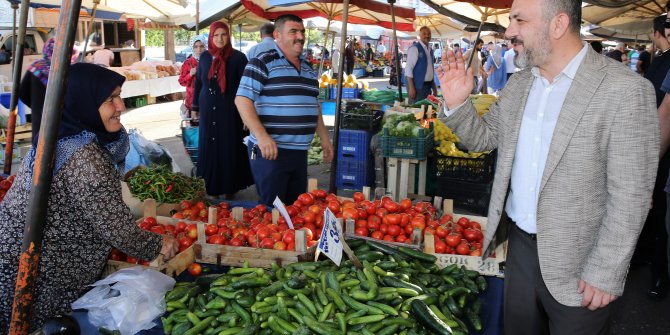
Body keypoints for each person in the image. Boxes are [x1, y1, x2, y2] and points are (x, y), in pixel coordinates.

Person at [437, 0, 658, 332]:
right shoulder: (520, 83)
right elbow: (484, 139)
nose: (509, 31)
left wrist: (606, 271)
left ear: (558, 25)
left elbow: (632, 195)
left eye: (519, 20)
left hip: (582, 265)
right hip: (520, 249)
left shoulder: (625, 91)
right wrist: (456, 102)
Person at [0, 63, 179, 331]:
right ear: (83, 102)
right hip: (36, 272)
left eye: (119, 96)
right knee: (37, 327)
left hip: (27, 258)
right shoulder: (85, 160)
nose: (120, 106)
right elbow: (118, 230)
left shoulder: (60, 136)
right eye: (110, 99)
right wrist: (159, 244)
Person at [235, 14, 333, 206]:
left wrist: (324, 138)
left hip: (299, 152)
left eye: (302, 32)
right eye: (293, 31)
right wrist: (262, 136)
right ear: (277, 35)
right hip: (270, 152)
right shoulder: (262, 62)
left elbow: (314, 105)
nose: (300, 36)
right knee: (273, 211)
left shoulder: (308, 69)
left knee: (295, 209)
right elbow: (242, 100)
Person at [191, 22, 253, 200]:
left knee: (229, 146)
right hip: (208, 110)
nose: (220, 39)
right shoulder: (204, 58)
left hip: (230, 111)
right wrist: (195, 107)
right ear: (211, 37)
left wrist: (246, 114)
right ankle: (211, 186)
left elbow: (246, 87)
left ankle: (230, 186)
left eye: (223, 35)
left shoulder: (238, 58)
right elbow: (199, 84)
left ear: (228, 36)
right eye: (216, 35)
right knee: (210, 147)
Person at [19, 38, 55, 143]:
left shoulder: (36, 67)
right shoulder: (69, 69)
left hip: (40, 119)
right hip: (64, 121)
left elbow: (22, 92)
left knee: (40, 151)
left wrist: (37, 106)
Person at [404, 26, 438, 103]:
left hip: (427, 86)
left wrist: (434, 87)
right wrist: (411, 88)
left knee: (426, 110)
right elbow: (408, 69)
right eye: (424, 34)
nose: (427, 35)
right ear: (419, 35)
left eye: (429, 34)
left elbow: (430, 69)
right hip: (417, 86)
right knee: (416, 110)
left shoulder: (430, 50)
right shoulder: (415, 49)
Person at [178, 35, 207, 123]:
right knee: (194, 130)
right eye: (196, 47)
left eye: (201, 46)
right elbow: (181, 82)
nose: (199, 49)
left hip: (207, 101)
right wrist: (190, 74)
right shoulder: (188, 63)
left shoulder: (209, 61)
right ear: (192, 48)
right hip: (191, 102)